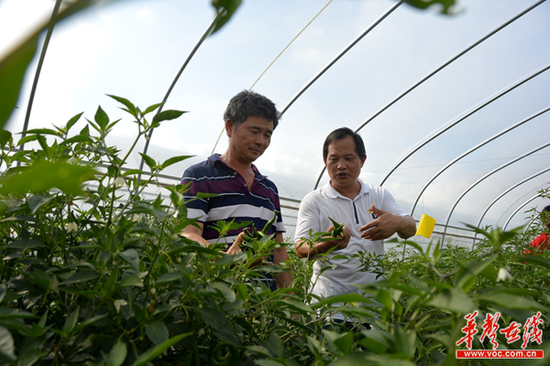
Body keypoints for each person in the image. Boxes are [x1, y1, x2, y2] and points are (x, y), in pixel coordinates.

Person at [294, 127, 416, 312]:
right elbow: (300, 248)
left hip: (373, 307)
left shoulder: (379, 195)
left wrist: (397, 223)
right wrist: (326, 244)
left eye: (349, 158)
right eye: (333, 159)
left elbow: (411, 229)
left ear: (362, 160)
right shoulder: (314, 201)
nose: (341, 166)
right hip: (329, 306)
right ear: (325, 161)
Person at [180, 90, 291, 290]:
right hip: (215, 294)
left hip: (262, 304)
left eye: (268, 134)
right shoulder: (199, 176)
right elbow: (188, 233)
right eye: (254, 131)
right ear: (230, 127)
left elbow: (279, 250)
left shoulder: (269, 189)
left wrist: (289, 301)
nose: (261, 141)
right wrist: (222, 259)